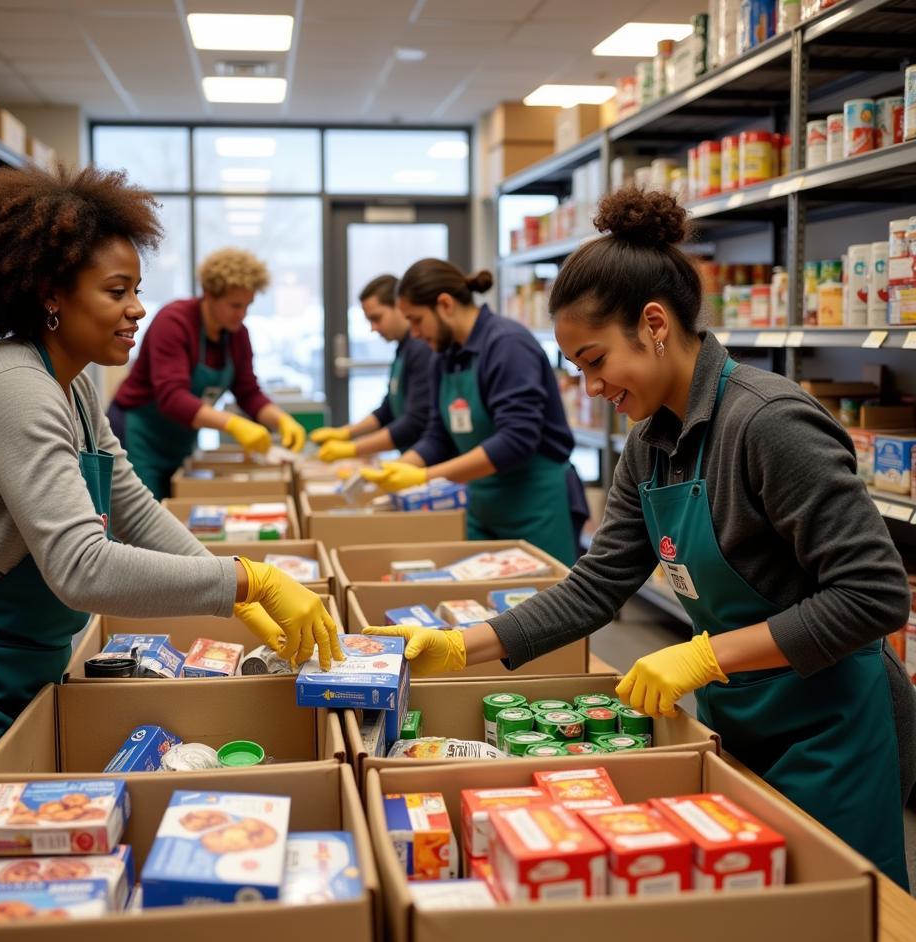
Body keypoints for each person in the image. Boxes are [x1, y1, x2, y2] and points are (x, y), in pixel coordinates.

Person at [365, 187, 916, 889]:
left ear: (655, 323)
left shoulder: (769, 424)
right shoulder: (650, 440)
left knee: (841, 938)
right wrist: (461, 645)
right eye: (578, 370)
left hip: (836, 726)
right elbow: (599, 582)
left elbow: (874, 595)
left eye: (595, 360)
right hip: (742, 714)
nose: (591, 387)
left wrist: (707, 655)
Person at [0, 165, 341, 884]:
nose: (136, 308)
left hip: (24, 665)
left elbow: (131, 507)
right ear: (49, 296)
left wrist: (243, 600)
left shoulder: (71, 385)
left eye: (136, 288)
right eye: (116, 290)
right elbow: (82, 566)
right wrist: (243, 578)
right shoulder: (14, 388)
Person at [360, 259, 588, 566]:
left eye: (416, 320)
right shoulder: (445, 356)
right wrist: (400, 468)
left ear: (445, 304)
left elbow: (516, 440)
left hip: (535, 507)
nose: (413, 333)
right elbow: (438, 435)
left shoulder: (506, 345)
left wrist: (425, 475)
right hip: (484, 508)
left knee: (548, 608)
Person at [108, 247, 306, 499]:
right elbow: (172, 397)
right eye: (235, 305)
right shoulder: (175, 321)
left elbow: (248, 392)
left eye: (248, 305)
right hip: (139, 436)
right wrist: (233, 424)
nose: (242, 314)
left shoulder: (237, 335)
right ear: (209, 295)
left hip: (179, 440)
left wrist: (280, 419)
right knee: (139, 521)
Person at [309, 274, 434, 461]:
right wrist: (346, 433)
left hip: (425, 459)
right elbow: (388, 410)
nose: (373, 328)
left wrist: (353, 448)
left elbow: (414, 422)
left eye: (377, 318)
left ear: (399, 307)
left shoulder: (420, 349)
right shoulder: (403, 348)